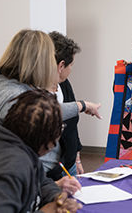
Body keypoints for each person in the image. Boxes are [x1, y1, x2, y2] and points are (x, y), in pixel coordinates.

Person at [0, 29, 100, 192]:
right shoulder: (15, 97)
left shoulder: (11, 89)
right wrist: (50, 186)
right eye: (48, 61)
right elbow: (14, 173)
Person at [42, 31, 84, 179]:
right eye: (71, 65)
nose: (71, 69)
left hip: (70, 163)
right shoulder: (35, 95)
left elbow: (72, 125)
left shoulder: (65, 85)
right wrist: (83, 106)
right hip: (50, 172)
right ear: (61, 65)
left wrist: (77, 158)